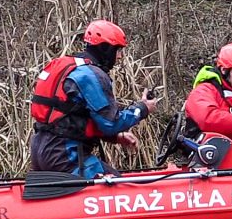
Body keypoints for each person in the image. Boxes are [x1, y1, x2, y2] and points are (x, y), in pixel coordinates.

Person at [30, 19, 157, 177]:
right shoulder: (91, 75)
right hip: (64, 155)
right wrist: (142, 108)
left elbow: (70, 120)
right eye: (118, 50)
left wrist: (115, 138)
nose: (120, 57)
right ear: (105, 49)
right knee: (119, 188)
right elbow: (111, 122)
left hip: (40, 151)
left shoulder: (70, 67)